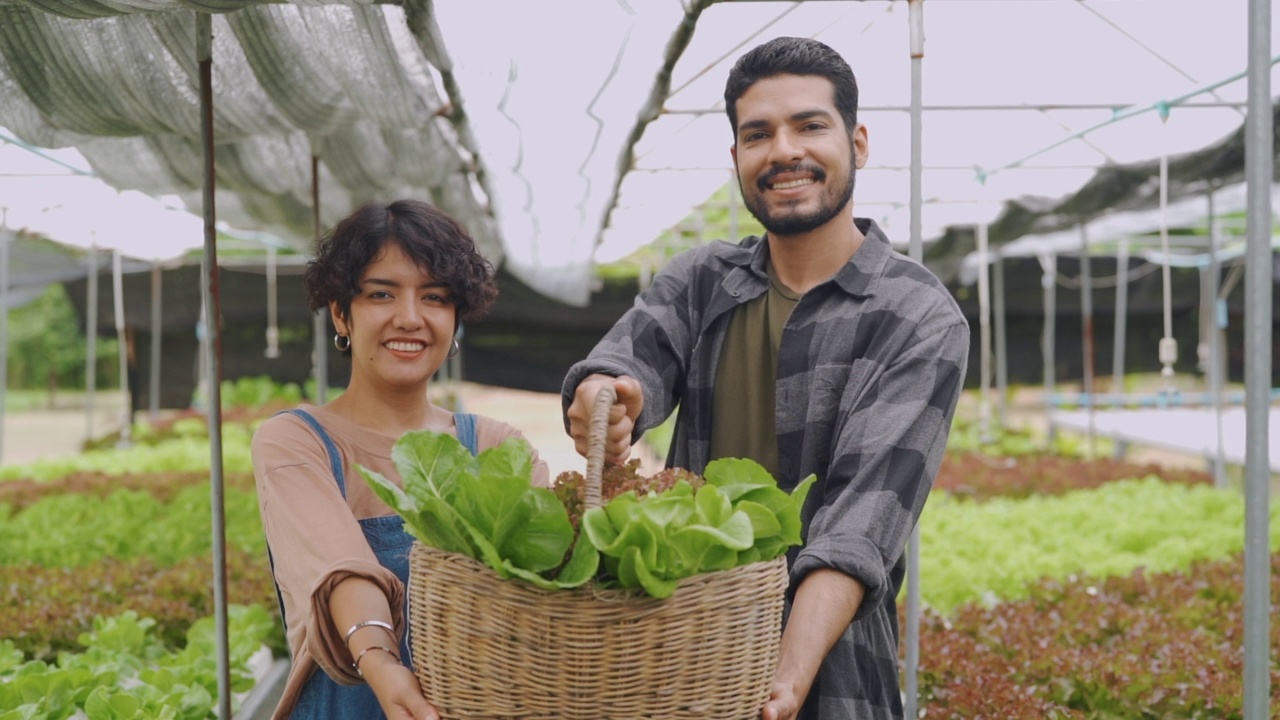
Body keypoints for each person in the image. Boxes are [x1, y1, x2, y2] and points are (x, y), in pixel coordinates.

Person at [562, 37, 968, 720]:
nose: (783, 151)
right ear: (736, 160)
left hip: (831, 674)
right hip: (685, 656)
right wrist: (608, 394)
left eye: (810, 125)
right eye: (758, 135)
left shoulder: (918, 317)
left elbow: (860, 523)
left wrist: (786, 674)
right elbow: (631, 359)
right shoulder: (702, 280)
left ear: (857, 143)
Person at [252, 199, 549, 719]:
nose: (410, 318)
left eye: (434, 297)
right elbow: (342, 571)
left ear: (455, 317)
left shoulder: (497, 447)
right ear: (341, 313)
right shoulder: (298, 443)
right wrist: (382, 662)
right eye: (381, 294)